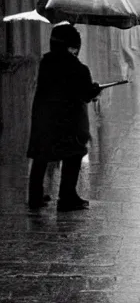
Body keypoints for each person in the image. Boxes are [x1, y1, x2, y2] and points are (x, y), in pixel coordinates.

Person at [27, 24, 102, 211]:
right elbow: (85, 94)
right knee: (73, 154)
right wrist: (95, 90)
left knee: (41, 155)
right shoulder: (79, 68)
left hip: (44, 119)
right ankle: (67, 196)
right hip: (68, 122)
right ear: (75, 45)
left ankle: (35, 197)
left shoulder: (46, 63)